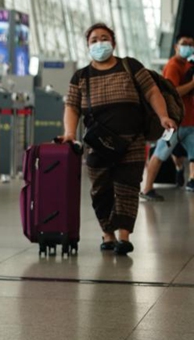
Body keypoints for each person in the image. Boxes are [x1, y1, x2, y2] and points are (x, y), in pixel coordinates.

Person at [59, 23, 176, 255]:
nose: (99, 43)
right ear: (87, 45)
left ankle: (124, 236)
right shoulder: (81, 77)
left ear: (113, 43)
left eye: (104, 38)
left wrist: (163, 116)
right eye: (94, 40)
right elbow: (72, 107)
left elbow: (152, 92)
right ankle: (107, 234)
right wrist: (70, 133)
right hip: (97, 144)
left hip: (131, 141)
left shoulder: (130, 66)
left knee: (128, 187)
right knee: (100, 190)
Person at [141, 34, 194, 200]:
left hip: (190, 122)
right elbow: (174, 91)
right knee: (160, 153)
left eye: (191, 44)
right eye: (184, 44)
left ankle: (190, 180)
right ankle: (147, 189)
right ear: (176, 47)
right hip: (174, 123)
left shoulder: (188, 65)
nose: (188, 47)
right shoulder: (172, 66)